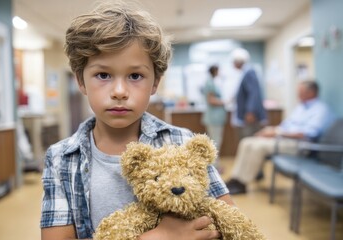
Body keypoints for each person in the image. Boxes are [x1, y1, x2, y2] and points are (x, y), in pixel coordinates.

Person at [40, 1, 234, 239]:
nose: (120, 91)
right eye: (103, 75)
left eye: (135, 75)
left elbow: (228, 220)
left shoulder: (184, 142)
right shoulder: (60, 159)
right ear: (81, 81)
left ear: (155, 82)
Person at [226, 80, 336, 195]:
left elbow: (307, 134)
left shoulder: (320, 109)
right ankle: (235, 178)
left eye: (301, 92)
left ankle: (242, 183)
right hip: (284, 138)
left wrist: (277, 133)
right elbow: (286, 125)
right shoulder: (301, 107)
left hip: (300, 145)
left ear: (311, 92)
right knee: (247, 141)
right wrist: (272, 130)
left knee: (259, 147)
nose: (298, 95)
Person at [230, 48, 267, 140]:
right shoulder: (245, 72)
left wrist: (250, 111)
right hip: (246, 114)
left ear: (239, 61)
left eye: (233, 62)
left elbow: (253, 93)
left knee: (249, 138)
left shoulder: (249, 72)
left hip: (249, 115)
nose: (233, 64)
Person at [201, 65, 226, 171]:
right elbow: (211, 100)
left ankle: (215, 166)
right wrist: (224, 102)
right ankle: (214, 167)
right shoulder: (210, 83)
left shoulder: (211, 82)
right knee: (215, 142)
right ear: (215, 71)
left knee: (215, 142)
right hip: (214, 118)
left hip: (216, 117)